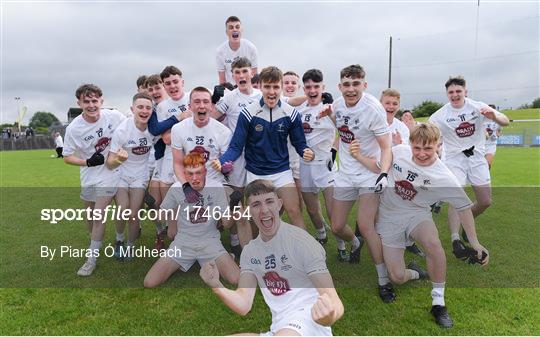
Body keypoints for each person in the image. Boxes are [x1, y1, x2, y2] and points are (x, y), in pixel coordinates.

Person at [356, 123, 489, 328]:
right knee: (397, 277)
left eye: (428, 148)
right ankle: (416, 272)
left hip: (417, 214)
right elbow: (383, 160)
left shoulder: (444, 177)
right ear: (410, 144)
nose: (422, 153)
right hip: (389, 217)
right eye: (417, 148)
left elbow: (463, 208)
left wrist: (475, 242)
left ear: (438, 144)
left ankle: (438, 302)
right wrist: (365, 158)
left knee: (433, 243)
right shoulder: (399, 152)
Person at [200, 179, 344, 336]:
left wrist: (328, 316)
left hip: (309, 324)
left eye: (269, 202)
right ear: (248, 211)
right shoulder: (250, 252)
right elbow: (243, 304)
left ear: (280, 204)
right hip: (279, 329)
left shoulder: (303, 243)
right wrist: (216, 285)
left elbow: (335, 303)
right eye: (256, 205)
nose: (264, 210)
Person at [322, 64, 394, 302]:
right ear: (339, 86)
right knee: (337, 227)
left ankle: (383, 279)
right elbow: (341, 128)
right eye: (346, 84)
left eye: (355, 84)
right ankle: (354, 244)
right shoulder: (338, 105)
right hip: (345, 174)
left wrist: (383, 173)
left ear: (364, 84)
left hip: (368, 174)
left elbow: (386, 147)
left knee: (366, 225)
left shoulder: (373, 109)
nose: (350, 89)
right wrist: (333, 151)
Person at [215, 66, 314, 229]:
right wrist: (222, 160)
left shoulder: (291, 113)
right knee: (255, 220)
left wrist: (305, 151)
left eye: (276, 87)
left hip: (282, 172)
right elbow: (236, 146)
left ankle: (305, 254)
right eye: (267, 86)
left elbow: (299, 143)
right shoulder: (248, 113)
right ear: (260, 87)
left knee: (294, 212)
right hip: (256, 174)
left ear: (281, 88)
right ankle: (256, 253)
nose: (272, 91)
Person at [428, 77, 509, 257]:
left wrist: (494, 115)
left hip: (477, 158)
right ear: (447, 94)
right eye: (451, 92)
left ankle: (467, 221)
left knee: (485, 201)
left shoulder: (477, 107)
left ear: (465, 91)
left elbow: (505, 122)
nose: (455, 95)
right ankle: (455, 239)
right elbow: (427, 132)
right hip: (454, 160)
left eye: (458, 91)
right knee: (457, 197)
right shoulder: (440, 115)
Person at [144, 152, 240, 288]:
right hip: (183, 243)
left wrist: (232, 207)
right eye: (190, 174)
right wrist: (152, 207)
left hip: (210, 241)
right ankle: (189, 261)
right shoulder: (177, 189)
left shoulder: (217, 187)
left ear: (205, 172)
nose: (195, 178)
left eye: (198, 172)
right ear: (184, 174)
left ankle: (224, 257)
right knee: (149, 282)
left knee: (236, 279)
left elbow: (227, 224)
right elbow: (161, 216)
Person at [63, 84, 126, 276]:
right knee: (90, 219)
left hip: (112, 173)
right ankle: (99, 241)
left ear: (101, 100)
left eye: (94, 101)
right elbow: (67, 157)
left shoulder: (114, 116)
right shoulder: (74, 128)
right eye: (86, 101)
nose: (91, 105)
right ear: (79, 103)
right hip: (90, 176)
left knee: (100, 215)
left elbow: (131, 128)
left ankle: (95, 258)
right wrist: (88, 162)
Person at [212, 57, 262, 251]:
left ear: (251, 73)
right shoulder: (230, 97)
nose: (241, 76)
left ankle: (257, 244)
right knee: (236, 199)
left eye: (244, 71)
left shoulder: (261, 95)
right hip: (236, 156)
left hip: (258, 156)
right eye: (237, 72)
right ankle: (236, 242)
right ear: (233, 75)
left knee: (257, 199)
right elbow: (210, 117)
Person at [170, 86, 233, 237]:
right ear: (190, 106)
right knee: (172, 233)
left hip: (215, 181)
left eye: (206, 101)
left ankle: (237, 244)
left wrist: (225, 167)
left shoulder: (223, 131)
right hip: (189, 180)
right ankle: (181, 244)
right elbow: (178, 163)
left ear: (211, 106)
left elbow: (226, 167)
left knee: (238, 214)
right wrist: (186, 186)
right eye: (197, 102)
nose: (201, 106)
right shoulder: (178, 129)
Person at [296, 69, 344, 251]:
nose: (312, 90)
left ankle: (341, 246)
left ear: (322, 87)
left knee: (333, 212)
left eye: (316, 86)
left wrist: (333, 149)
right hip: (305, 166)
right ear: (304, 89)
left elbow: (344, 133)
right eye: (308, 87)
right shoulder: (299, 111)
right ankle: (322, 234)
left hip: (327, 166)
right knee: (312, 210)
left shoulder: (331, 109)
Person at [106, 92, 157, 259]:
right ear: (132, 109)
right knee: (122, 210)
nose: (144, 111)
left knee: (134, 215)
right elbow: (109, 162)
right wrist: (119, 159)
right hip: (120, 174)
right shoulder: (122, 130)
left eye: (148, 107)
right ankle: (119, 240)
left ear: (152, 110)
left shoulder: (153, 130)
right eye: (140, 107)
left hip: (140, 176)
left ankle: (130, 246)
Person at [380, 88, 426, 257]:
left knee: (401, 209)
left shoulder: (401, 128)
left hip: (397, 175)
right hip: (375, 171)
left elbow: (408, 154)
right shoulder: (375, 122)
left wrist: (400, 145)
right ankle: (364, 239)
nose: (391, 106)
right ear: (381, 103)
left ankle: (408, 242)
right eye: (387, 103)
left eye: (395, 103)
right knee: (373, 209)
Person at [216, 16, 258, 85]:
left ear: (241, 30)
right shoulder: (220, 52)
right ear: (226, 32)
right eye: (231, 27)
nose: (234, 29)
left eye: (237, 27)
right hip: (231, 89)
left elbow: (255, 75)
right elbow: (222, 80)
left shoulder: (251, 48)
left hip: (248, 88)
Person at [484, 104, 502, 169]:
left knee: (487, 164)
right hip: (480, 144)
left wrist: (498, 134)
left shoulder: (497, 121)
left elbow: (499, 130)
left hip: (491, 144)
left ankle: (485, 178)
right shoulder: (481, 120)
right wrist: (485, 134)